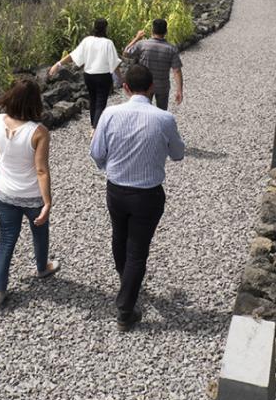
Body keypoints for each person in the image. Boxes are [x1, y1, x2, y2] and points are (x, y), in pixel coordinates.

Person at [89, 64, 185, 331]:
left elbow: (96, 152)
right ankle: (125, 310)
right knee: (138, 250)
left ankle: (126, 281)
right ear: (152, 87)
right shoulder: (164, 119)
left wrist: (111, 167)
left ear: (126, 88)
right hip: (148, 195)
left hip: (116, 190)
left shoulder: (110, 114)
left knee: (119, 237)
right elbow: (178, 154)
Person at [0, 79, 60, 306]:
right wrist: (47, 202)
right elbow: (41, 170)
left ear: (11, 97)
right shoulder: (39, 132)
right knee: (40, 231)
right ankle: (42, 268)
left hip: (4, 192)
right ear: (36, 103)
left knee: (7, 238)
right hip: (31, 195)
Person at [49, 18, 123, 132]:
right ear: (105, 28)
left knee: (93, 100)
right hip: (103, 76)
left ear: (94, 27)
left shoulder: (87, 40)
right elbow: (114, 63)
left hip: (89, 76)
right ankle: (95, 128)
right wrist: (120, 78)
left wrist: (58, 64)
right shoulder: (108, 43)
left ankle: (93, 124)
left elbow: (73, 55)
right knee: (100, 102)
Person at [123, 18, 183, 110]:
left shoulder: (142, 44)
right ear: (166, 31)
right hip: (163, 85)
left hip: (145, 85)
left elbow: (126, 52)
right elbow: (177, 71)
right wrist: (179, 90)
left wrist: (137, 37)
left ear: (152, 30)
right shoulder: (171, 49)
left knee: (145, 110)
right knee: (162, 111)